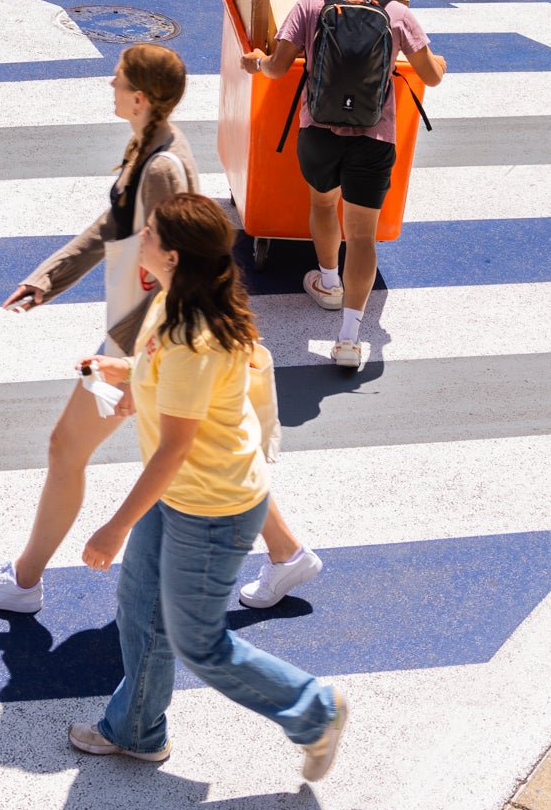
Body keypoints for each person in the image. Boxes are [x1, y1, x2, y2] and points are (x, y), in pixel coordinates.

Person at [0, 45, 326, 616]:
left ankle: (24, 581)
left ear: (140, 96)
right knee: (214, 449)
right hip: (149, 335)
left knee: (67, 447)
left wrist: (134, 359)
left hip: (144, 335)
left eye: (119, 78)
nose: (110, 82)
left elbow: (171, 263)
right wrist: (47, 280)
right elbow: (114, 225)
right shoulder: (154, 147)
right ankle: (286, 551)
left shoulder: (161, 166)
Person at [69, 194, 350, 781]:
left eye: (148, 233)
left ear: (172, 254)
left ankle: (315, 711)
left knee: (200, 644)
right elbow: (168, 382)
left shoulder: (192, 338)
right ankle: (137, 731)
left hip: (213, 509)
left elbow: (174, 448)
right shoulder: (176, 301)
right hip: (183, 498)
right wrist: (128, 376)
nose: (139, 238)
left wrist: (114, 525)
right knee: (141, 612)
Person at [238, 0, 447, 368]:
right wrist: (438, 62)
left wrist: (257, 61)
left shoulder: (312, 4)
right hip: (374, 138)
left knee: (321, 203)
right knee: (364, 236)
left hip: (319, 133)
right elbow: (430, 76)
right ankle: (350, 338)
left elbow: (277, 69)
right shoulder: (395, 13)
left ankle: (328, 281)